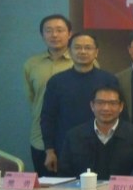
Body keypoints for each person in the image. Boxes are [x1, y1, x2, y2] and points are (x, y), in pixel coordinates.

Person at [39, 32, 117, 172]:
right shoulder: (57, 81)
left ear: (96, 52)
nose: (83, 51)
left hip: (103, 147)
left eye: (88, 48)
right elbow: (47, 117)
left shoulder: (108, 80)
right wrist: (49, 150)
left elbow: (120, 115)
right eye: (77, 47)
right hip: (66, 148)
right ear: (69, 52)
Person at [57, 85, 133, 179]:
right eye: (100, 102)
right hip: (82, 189)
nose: (106, 108)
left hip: (124, 189)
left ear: (121, 107)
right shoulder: (74, 136)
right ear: (92, 105)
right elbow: (64, 176)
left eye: (112, 103)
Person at [24, 14, 74, 172]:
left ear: (69, 34)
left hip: (73, 136)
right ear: (42, 35)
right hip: (40, 137)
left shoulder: (83, 61)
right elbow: (33, 98)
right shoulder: (32, 64)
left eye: (60, 30)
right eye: (49, 30)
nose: (54, 35)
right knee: (44, 184)